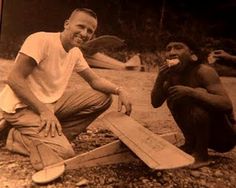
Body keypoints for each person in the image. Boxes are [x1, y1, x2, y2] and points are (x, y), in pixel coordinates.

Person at [0, 8, 132, 170]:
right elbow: (14, 79)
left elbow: (94, 80)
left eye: (90, 31)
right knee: (64, 153)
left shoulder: (75, 52)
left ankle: (50, 134)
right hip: (20, 107)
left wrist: (120, 90)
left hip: (48, 105)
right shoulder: (41, 40)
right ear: (67, 24)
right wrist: (44, 111)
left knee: (103, 98)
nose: (84, 33)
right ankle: (14, 137)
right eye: (80, 26)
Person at [151, 35, 236, 169]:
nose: (172, 52)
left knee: (198, 92)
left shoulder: (204, 71)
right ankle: (190, 145)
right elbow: (155, 103)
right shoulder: (171, 77)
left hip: (225, 137)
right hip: (204, 136)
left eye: (178, 48)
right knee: (173, 96)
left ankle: (202, 156)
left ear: (193, 56)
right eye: (168, 49)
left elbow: (226, 105)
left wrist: (192, 92)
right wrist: (160, 78)